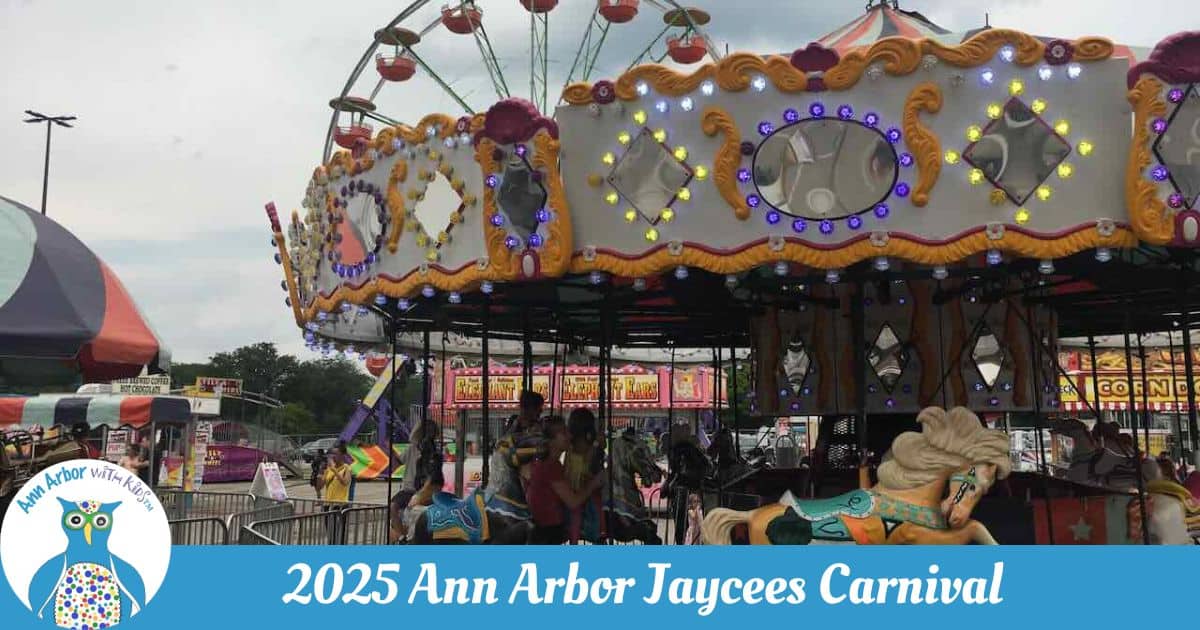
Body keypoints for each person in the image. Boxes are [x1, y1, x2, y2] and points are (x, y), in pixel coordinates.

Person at [526, 416, 605, 544]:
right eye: (563, 432)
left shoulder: (546, 463)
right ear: (551, 441)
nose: (569, 436)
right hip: (549, 530)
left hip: (547, 527)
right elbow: (573, 501)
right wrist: (593, 484)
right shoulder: (551, 466)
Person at [484, 390, 546, 520]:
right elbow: (511, 452)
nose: (540, 413)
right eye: (538, 409)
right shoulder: (516, 430)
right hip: (504, 480)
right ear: (528, 409)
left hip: (522, 481)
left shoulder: (534, 427)